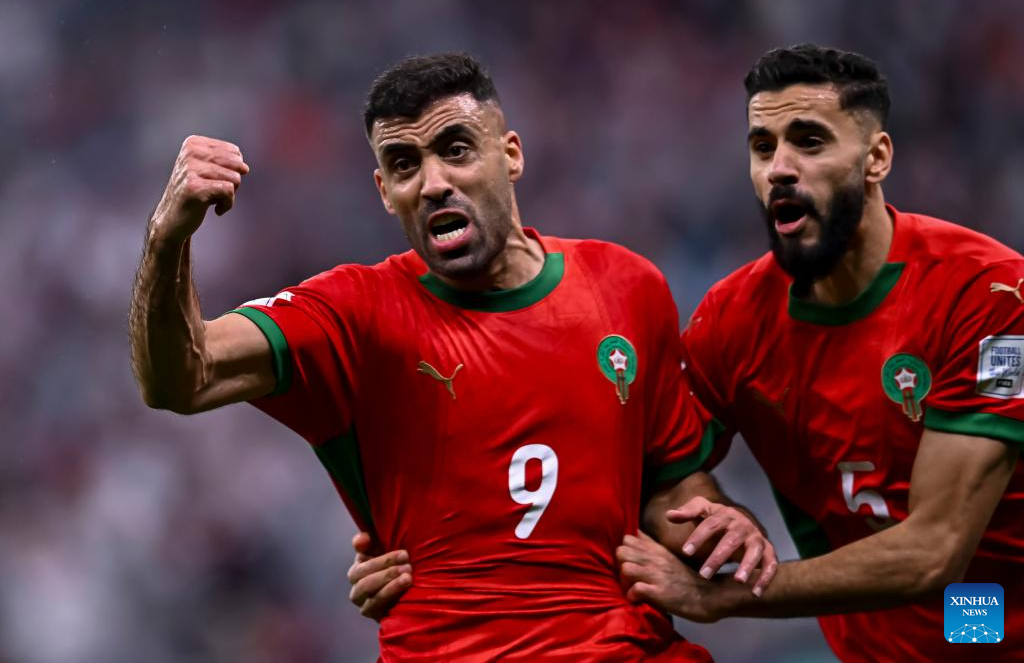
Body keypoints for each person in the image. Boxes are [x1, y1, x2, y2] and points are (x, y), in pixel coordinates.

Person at [128, 53, 775, 661]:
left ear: (511, 154)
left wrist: (718, 525)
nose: (434, 183)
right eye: (404, 164)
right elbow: (182, 379)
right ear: (385, 191)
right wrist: (167, 237)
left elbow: (669, 487)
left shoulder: (626, 286)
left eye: (456, 150)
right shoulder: (355, 313)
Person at [615, 45, 1024, 662]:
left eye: (809, 142)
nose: (779, 168)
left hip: (996, 629)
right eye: (762, 147)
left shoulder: (991, 295)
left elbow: (933, 552)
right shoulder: (731, 321)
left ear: (876, 158)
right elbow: (659, 468)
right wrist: (720, 523)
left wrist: (734, 594)